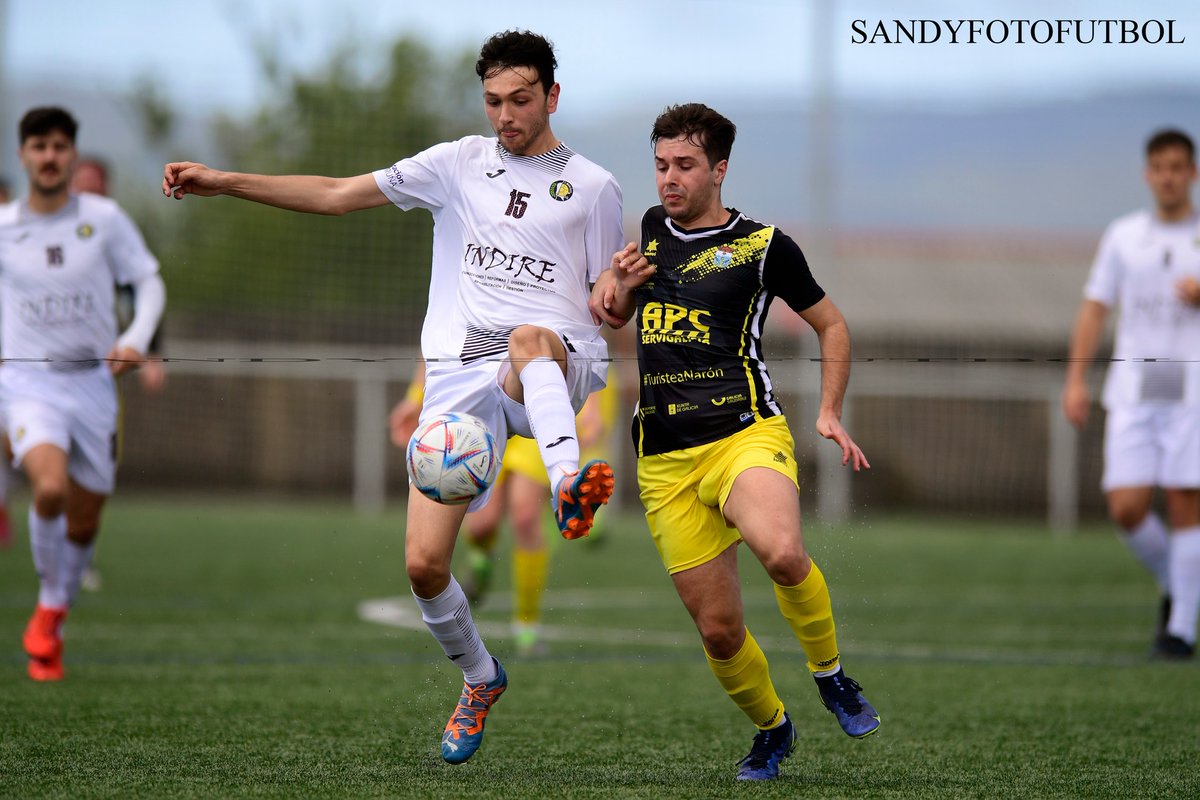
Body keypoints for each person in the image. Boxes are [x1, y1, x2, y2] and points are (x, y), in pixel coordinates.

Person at [163, 30, 624, 764]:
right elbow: (338, 195)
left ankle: (571, 484)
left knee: (531, 340)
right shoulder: (455, 164)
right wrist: (224, 182)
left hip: (550, 363)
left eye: (521, 100)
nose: (506, 115)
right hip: (456, 385)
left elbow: (610, 305)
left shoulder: (595, 187)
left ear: (552, 97)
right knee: (422, 567)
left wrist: (621, 294)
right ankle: (479, 677)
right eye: (494, 101)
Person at [591, 103, 880, 782]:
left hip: (743, 434)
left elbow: (832, 326)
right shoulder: (651, 230)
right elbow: (612, 316)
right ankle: (773, 728)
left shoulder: (763, 245)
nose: (669, 179)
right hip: (663, 458)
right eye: (661, 165)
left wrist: (831, 411)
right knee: (719, 631)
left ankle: (831, 675)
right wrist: (621, 293)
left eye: (685, 166)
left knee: (781, 551)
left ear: (719, 169)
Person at [0, 107, 166, 681]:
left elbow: (147, 281)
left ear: (72, 155)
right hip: (28, 385)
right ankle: (48, 607)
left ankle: (54, 622)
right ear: (23, 155)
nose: (49, 157)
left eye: (59, 147)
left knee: (84, 520)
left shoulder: (105, 219)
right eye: (38, 146)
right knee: (48, 488)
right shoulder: (4, 227)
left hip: (94, 385)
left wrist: (135, 338)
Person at [1063, 128, 1200, 661]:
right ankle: (1179, 584)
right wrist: (1075, 378)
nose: (1168, 176)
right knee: (1125, 506)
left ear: (1191, 173)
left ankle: (1180, 630)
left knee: (1187, 499)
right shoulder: (1123, 236)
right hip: (1134, 387)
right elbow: (1096, 307)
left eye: (1178, 167)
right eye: (1159, 167)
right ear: (1148, 175)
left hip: (1191, 387)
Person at [391, 360, 619, 657]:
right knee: (482, 524)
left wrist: (592, 402)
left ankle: (527, 624)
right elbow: (439, 335)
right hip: (481, 404)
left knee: (525, 518)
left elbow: (581, 330)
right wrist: (414, 397)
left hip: (534, 409)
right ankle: (480, 559)